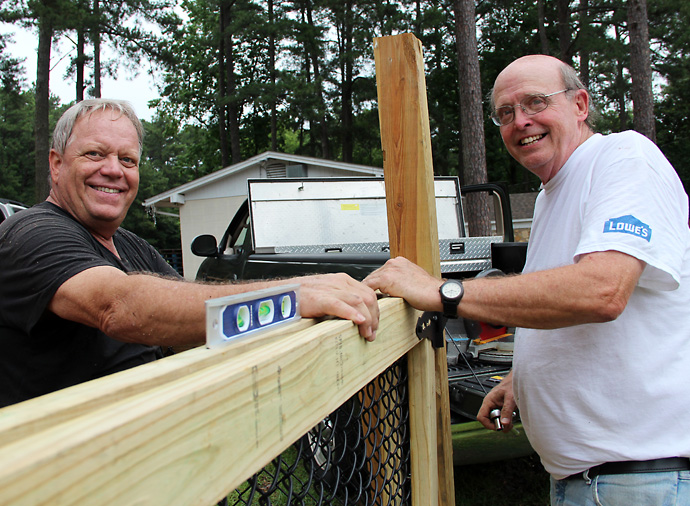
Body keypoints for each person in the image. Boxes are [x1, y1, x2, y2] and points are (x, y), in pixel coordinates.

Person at [364, 54, 690, 505]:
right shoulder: (550, 195)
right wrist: (526, 378)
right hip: (591, 480)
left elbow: (603, 291)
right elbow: (577, 309)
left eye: (536, 102)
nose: (521, 121)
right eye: (505, 113)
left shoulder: (625, 158)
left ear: (580, 104)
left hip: (639, 479)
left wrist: (442, 291)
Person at [0, 99, 379, 409]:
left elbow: (196, 324)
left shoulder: (131, 246)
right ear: (56, 163)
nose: (114, 170)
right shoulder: (31, 234)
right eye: (95, 154)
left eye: (128, 160)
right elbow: (118, 306)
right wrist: (294, 295)